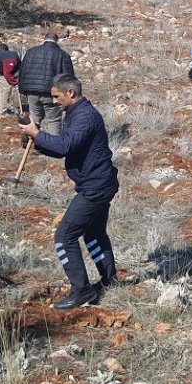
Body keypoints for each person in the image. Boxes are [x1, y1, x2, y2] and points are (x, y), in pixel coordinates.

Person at [19, 74, 119, 310]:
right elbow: (65, 148)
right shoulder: (76, 114)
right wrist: (37, 141)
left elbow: (64, 146)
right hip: (99, 183)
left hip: (95, 187)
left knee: (64, 237)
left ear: (71, 93)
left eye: (57, 96)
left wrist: (37, 134)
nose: (54, 101)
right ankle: (109, 279)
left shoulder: (84, 116)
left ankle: (82, 291)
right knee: (94, 234)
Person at [19, 32, 76, 135]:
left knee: (34, 120)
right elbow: (68, 77)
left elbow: (22, 72)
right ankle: (53, 149)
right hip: (52, 95)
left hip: (32, 92)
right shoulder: (63, 55)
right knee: (54, 121)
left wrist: (23, 90)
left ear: (44, 39)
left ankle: (28, 142)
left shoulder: (31, 52)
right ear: (56, 41)